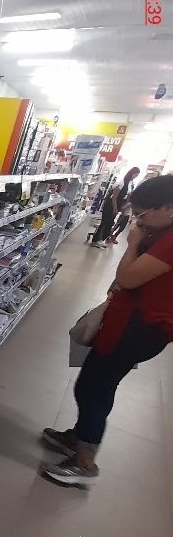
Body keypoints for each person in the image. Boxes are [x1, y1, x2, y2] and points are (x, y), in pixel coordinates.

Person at [42, 173, 173, 485]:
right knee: (97, 381)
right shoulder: (163, 232)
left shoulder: (169, 242)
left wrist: (133, 242)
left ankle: (84, 462)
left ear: (168, 208)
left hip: (139, 327)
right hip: (133, 322)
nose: (138, 219)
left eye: (143, 214)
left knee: (93, 387)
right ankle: (78, 437)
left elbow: (128, 278)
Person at [106, 166, 140, 243]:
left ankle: (110, 235)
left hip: (124, 204)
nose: (135, 177)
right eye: (135, 175)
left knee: (119, 223)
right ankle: (106, 236)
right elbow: (115, 197)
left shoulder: (130, 183)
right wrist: (117, 208)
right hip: (117, 204)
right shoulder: (122, 183)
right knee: (111, 222)